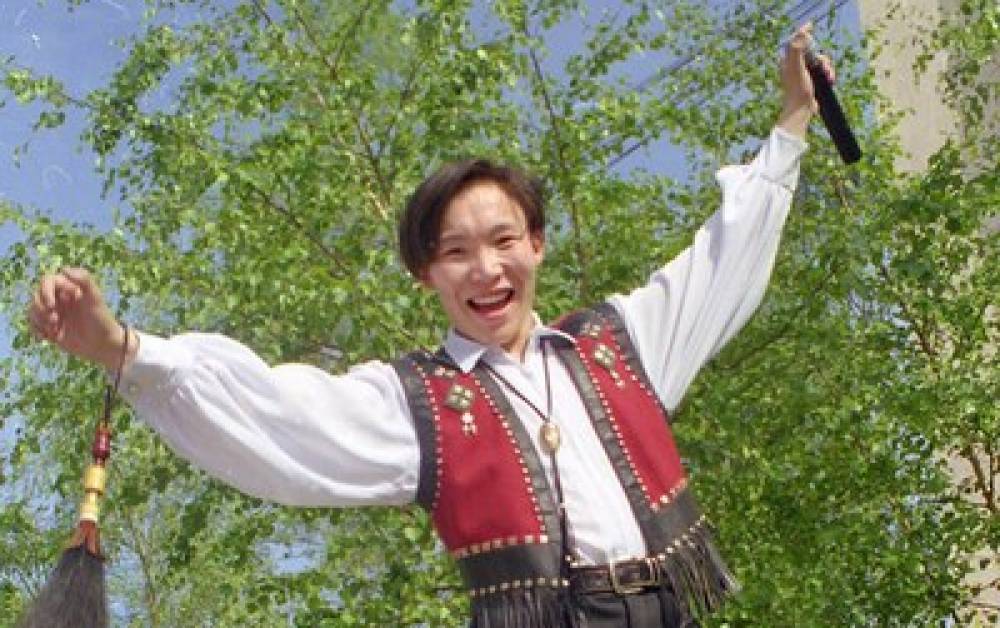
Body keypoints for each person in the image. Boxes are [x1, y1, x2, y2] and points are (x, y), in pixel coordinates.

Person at [27, 23, 832, 628]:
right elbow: (279, 414)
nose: (486, 270)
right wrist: (121, 348)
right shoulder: (416, 401)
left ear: (537, 245)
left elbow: (721, 261)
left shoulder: (621, 343)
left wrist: (793, 119)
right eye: (456, 252)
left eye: (504, 241)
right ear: (426, 274)